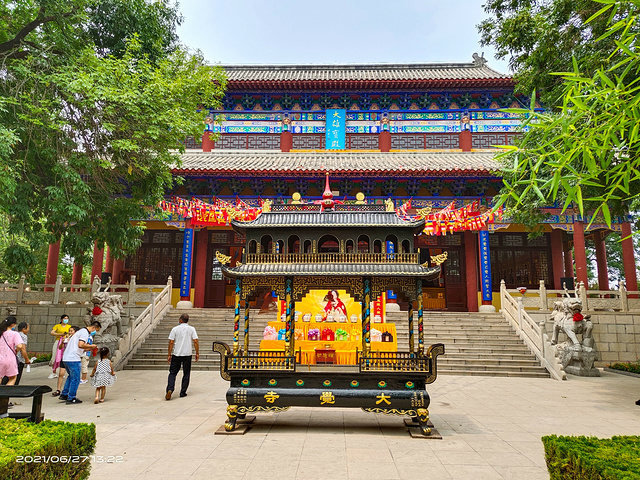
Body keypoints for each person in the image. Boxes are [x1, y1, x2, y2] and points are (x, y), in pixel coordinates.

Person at [59, 321, 101, 404]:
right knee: (76, 379)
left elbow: (78, 347)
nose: (95, 332)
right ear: (93, 328)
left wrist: (88, 349)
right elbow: (80, 345)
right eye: (96, 330)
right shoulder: (84, 333)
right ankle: (71, 397)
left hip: (66, 358)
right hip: (73, 359)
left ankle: (64, 394)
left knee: (71, 377)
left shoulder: (80, 332)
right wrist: (91, 346)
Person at [0, 317, 31, 417]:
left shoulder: (1, 333)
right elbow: (20, 346)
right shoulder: (15, 334)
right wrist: (20, 354)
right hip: (10, 359)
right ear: (13, 325)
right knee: (12, 378)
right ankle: (4, 398)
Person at [165, 313, 198, 400]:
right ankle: (183, 392)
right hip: (187, 354)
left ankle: (170, 389)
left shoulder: (175, 329)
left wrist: (169, 354)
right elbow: (195, 341)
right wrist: (197, 353)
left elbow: (171, 342)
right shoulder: (191, 329)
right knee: (186, 373)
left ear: (180, 320)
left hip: (176, 354)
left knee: (172, 373)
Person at [52, 326, 77, 397]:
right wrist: (63, 342)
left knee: (71, 375)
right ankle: (58, 390)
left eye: (72, 331)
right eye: (69, 331)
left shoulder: (76, 339)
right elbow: (60, 348)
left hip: (72, 359)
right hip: (65, 357)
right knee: (61, 373)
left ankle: (68, 391)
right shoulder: (66, 338)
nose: (70, 332)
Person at [49, 314, 71, 379]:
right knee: (55, 356)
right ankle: (54, 372)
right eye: (65, 318)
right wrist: (60, 334)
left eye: (67, 318)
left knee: (64, 357)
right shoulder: (57, 326)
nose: (66, 320)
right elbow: (52, 333)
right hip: (58, 341)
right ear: (61, 319)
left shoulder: (69, 326)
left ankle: (62, 372)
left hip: (66, 341)